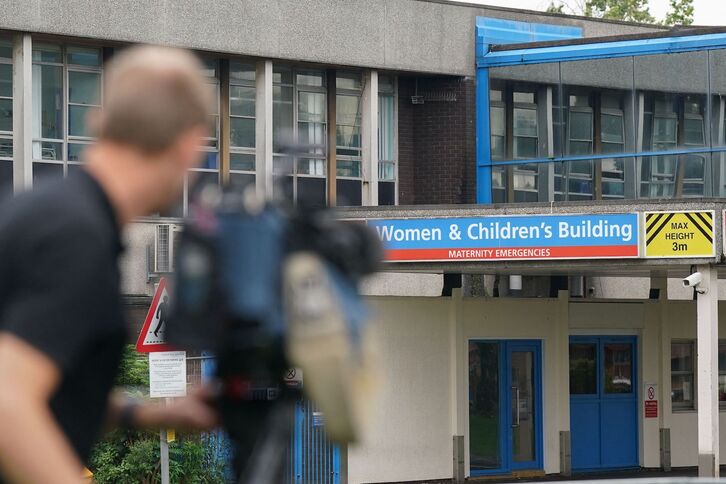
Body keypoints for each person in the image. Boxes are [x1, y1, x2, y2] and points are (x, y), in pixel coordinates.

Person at [0, 45, 218, 483]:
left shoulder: (45, 210)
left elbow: (50, 388)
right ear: (189, 144)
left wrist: (148, 413)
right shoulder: (77, 237)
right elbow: (9, 401)